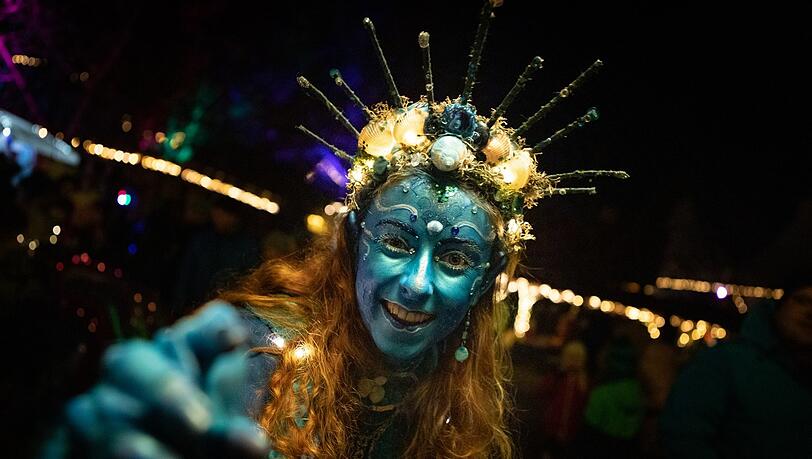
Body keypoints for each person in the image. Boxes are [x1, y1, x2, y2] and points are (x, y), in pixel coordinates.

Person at [44, 2, 626, 457]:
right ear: (352, 240)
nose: (418, 283)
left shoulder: (457, 406)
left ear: (488, 280)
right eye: (397, 241)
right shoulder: (257, 356)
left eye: (454, 258)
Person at [659, 283, 812, 458]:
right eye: (801, 301)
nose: (809, 312)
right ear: (780, 307)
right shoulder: (726, 361)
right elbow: (683, 434)